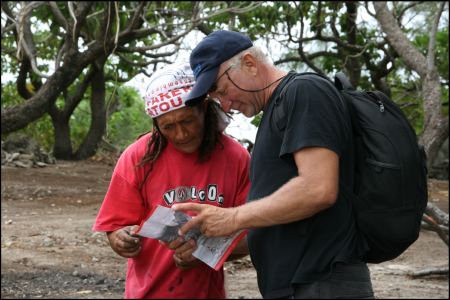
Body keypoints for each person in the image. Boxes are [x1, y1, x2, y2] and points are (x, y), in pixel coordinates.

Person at [172, 30, 374, 299]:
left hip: (321, 281)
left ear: (249, 63)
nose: (226, 104)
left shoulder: (304, 91)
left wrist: (231, 217)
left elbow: (318, 189)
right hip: (294, 285)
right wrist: (205, 244)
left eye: (222, 90)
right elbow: (278, 221)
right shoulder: (274, 112)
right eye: (217, 99)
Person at [92, 62, 251, 299]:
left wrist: (202, 251)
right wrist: (119, 240)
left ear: (205, 109)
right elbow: (114, 226)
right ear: (156, 125)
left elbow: (252, 236)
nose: (181, 134)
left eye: (187, 121)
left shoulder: (236, 158)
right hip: (147, 293)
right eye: (168, 126)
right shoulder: (138, 157)